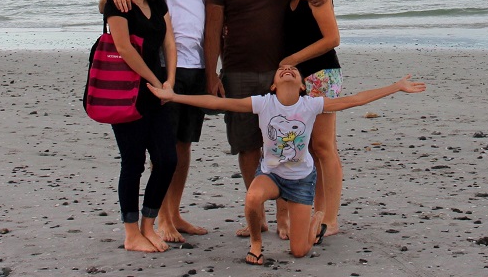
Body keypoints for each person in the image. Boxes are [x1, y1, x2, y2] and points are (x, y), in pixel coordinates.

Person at [149, 66, 425, 264]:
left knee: (299, 251)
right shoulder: (263, 103)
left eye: (294, 70)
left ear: (303, 85)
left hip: (301, 181)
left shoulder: (311, 105)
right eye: (281, 70)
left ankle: (317, 218)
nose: (288, 70)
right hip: (271, 175)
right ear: (273, 85)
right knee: (253, 196)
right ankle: (256, 244)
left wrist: (396, 87)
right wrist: (175, 97)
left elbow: (353, 100)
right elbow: (219, 102)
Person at [203, 0, 341, 239]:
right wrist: (212, 74)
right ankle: (259, 212)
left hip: (286, 75)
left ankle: (289, 217)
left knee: (290, 146)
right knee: (248, 146)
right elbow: (213, 28)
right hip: (238, 71)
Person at [99, 0, 219, 242]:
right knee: (160, 148)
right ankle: (161, 220)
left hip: (194, 67)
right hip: (163, 69)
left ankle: (175, 213)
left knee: (182, 145)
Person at [102, 0, 179, 253]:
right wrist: (155, 80)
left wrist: (169, 80)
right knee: (133, 162)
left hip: (157, 90)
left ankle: (149, 225)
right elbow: (123, 47)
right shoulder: (117, 1)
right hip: (126, 91)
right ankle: (131, 233)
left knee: (166, 160)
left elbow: (170, 42)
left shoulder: (158, 2)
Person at [277, 0, 344, 236]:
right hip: (301, 79)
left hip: (322, 75)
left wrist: (291, 59)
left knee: (324, 146)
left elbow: (332, 39)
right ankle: (317, 212)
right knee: (310, 149)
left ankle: (330, 218)